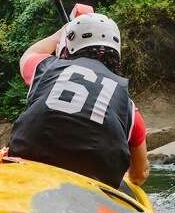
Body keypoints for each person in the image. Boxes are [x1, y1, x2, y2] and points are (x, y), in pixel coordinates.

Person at [9, 12, 150, 189]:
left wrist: (61, 32)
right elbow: (139, 174)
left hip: (27, 171)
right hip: (92, 190)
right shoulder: (129, 108)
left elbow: (30, 54)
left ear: (69, 44)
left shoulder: (46, 68)